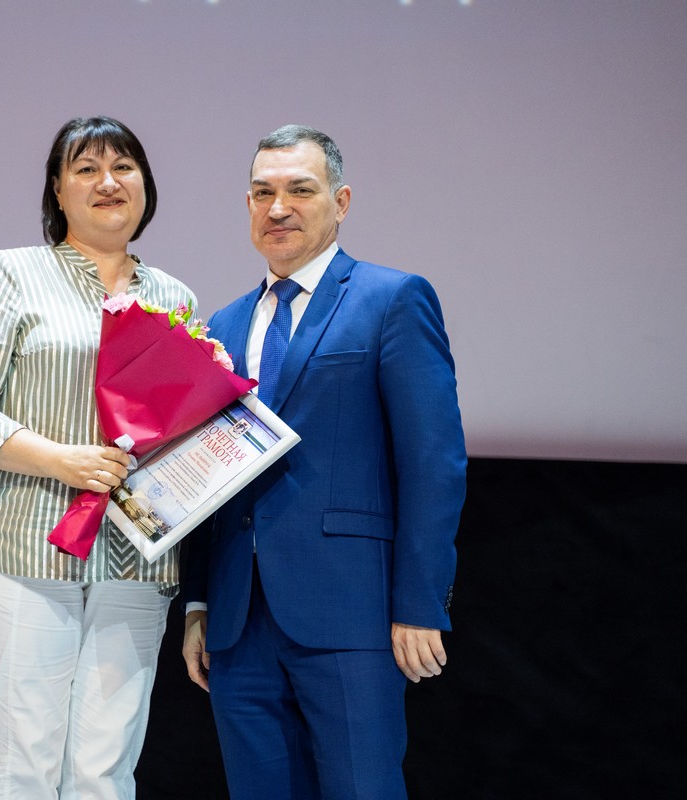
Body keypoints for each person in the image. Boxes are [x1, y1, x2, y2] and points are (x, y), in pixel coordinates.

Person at [181, 124, 466, 799]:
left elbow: (433, 462)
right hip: (237, 621)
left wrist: (420, 601)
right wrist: (198, 599)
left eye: (300, 190)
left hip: (352, 612)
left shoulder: (392, 299)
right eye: (262, 193)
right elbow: (205, 472)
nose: (278, 208)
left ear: (341, 202)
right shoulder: (220, 325)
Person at [0, 116, 195, 798]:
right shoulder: (14, 272)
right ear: (57, 188)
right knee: (24, 762)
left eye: (123, 166)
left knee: (106, 769)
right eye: (86, 168)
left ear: (145, 184)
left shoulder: (175, 299)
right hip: (25, 544)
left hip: (136, 557)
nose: (108, 182)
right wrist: (59, 460)